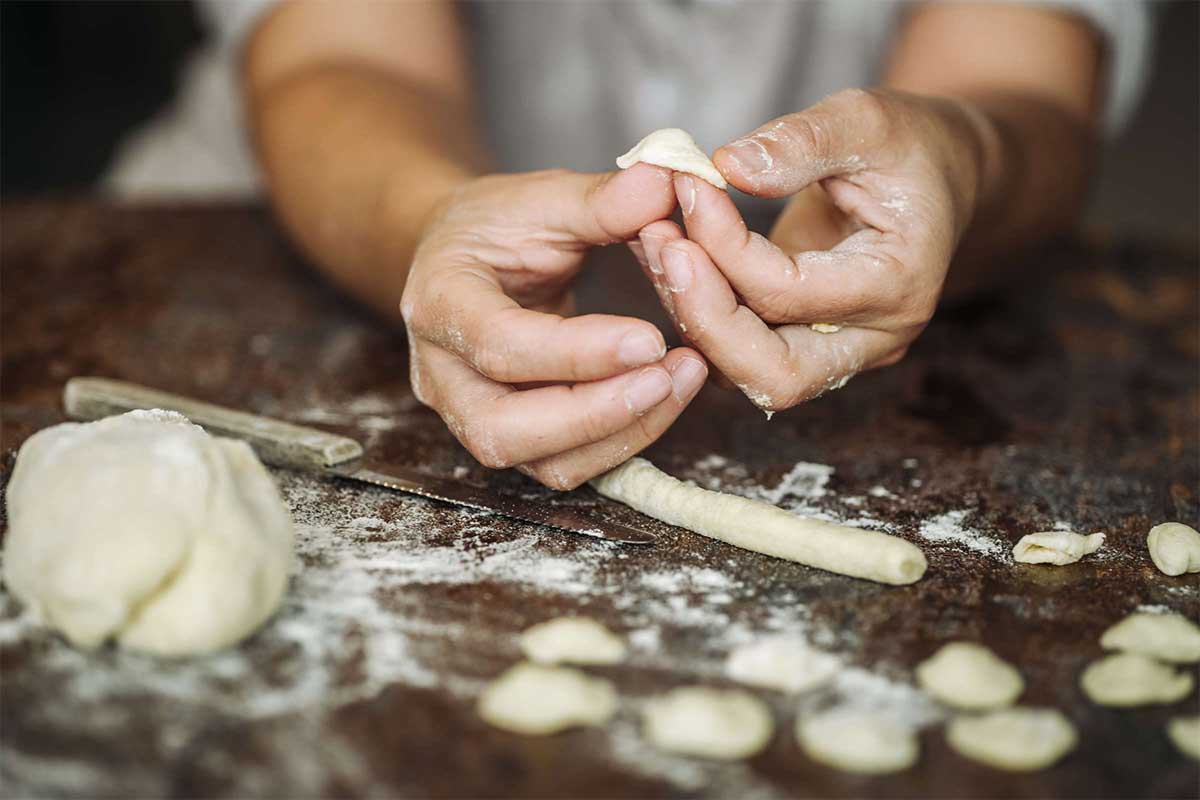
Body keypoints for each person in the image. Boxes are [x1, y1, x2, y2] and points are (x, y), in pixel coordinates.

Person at [107, 1, 1152, 490]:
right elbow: (340, 50)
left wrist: (959, 155)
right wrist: (425, 221)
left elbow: (1027, 79)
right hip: (280, 224)